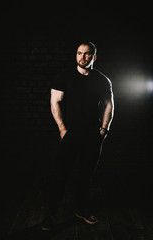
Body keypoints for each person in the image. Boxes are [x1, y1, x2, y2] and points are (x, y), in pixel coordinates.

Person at [41, 41, 114, 231]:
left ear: (94, 57)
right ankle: (51, 214)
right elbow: (54, 102)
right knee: (60, 175)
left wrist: (104, 129)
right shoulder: (64, 77)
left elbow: (108, 104)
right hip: (70, 134)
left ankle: (81, 210)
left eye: (87, 54)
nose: (83, 57)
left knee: (86, 175)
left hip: (92, 135)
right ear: (76, 55)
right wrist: (62, 129)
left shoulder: (102, 80)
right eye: (79, 53)